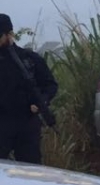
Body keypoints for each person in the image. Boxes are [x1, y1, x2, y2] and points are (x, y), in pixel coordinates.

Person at [0, 13, 59, 164]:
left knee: (30, 169)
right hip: (2, 123)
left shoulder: (29, 59)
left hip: (27, 123)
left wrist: (42, 101)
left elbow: (51, 85)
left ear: (9, 34)